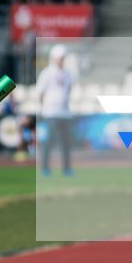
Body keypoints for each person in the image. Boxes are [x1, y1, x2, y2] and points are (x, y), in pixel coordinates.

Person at [36, 44, 76, 176]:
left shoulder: (68, 74)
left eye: (63, 58)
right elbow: (41, 93)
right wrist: (45, 108)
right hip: (51, 113)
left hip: (65, 113)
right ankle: (45, 168)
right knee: (49, 142)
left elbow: (69, 90)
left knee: (66, 143)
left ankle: (67, 168)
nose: (62, 60)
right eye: (60, 58)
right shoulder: (47, 73)